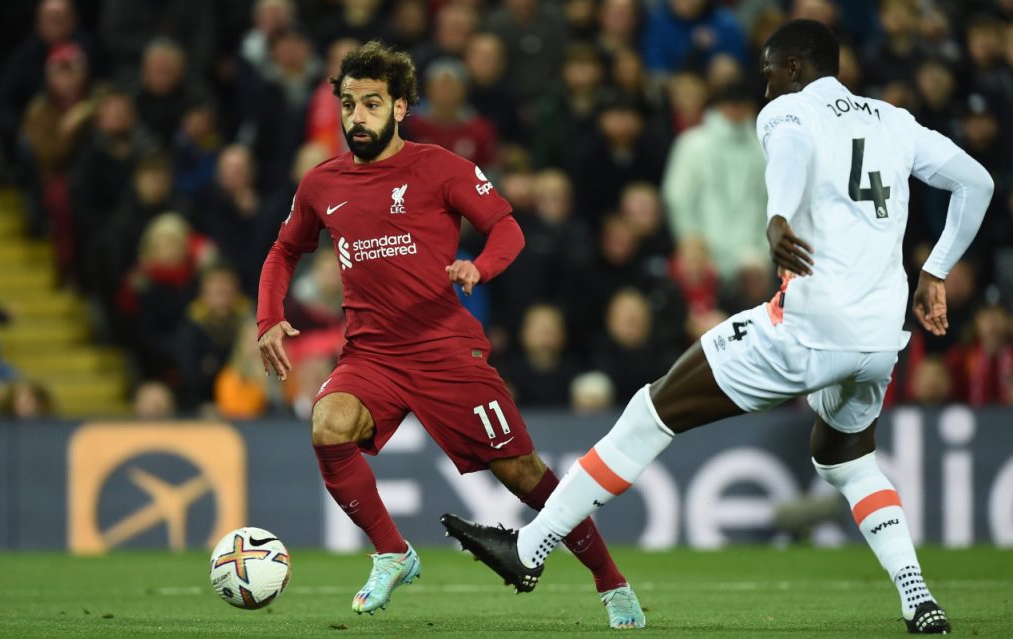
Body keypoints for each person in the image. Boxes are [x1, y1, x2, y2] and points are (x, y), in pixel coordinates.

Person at [441, 20, 995, 635]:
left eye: (768, 70)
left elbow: (792, 155)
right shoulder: (895, 121)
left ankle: (530, 549)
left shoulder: (787, 111)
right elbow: (978, 182)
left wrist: (778, 218)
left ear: (793, 67)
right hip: (878, 339)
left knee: (651, 412)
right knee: (846, 462)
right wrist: (936, 269)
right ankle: (918, 597)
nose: (764, 85)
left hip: (807, 329)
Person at [256, 41, 645, 629]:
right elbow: (284, 250)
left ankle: (611, 583)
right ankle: (392, 552)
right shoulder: (321, 183)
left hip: (444, 350)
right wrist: (268, 318)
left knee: (524, 474)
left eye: (371, 103)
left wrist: (478, 268)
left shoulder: (440, 167)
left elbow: (507, 229)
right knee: (327, 424)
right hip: (371, 354)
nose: (357, 116)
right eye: (349, 104)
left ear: (400, 108)